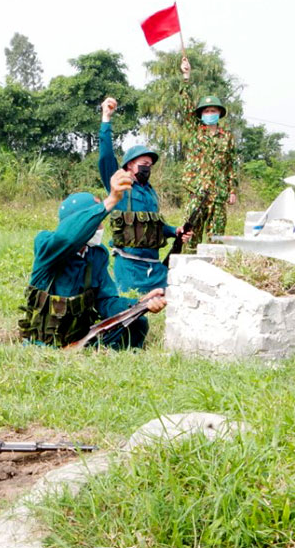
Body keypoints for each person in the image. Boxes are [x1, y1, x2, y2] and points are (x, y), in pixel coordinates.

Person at [18, 169, 167, 349]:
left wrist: (140, 304)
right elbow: (68, 237)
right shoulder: (46, 245)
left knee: (137, 324)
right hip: (44, 344)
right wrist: (110, 200)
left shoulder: (95, 255)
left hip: (81, 339)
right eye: (95, 220)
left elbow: (106, 302)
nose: (100, 226)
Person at [97, 97, 191, 293]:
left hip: (154, 267)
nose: (147, 168)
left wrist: (176, 231)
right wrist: (106, 117)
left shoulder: (150, 192)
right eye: (143, 164)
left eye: (150, 165)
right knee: (131, 306)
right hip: (129, 267)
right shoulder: (119, 184)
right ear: (130, 164)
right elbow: (106, 155)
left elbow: (154, 225)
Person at [179, 56, 239, 247]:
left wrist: (232, 190)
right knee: (191, 237)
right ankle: (186, 271)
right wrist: (186, 77)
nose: (210, 114)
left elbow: (230, 165)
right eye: (206, 111)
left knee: (216, 240)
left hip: (219, 194)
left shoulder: (227, 136)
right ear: (201, 114)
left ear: (219, 113)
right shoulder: (195, 130)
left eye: (213, 110)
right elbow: (186, 106)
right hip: (198, 191)